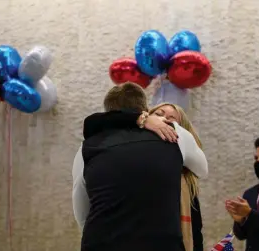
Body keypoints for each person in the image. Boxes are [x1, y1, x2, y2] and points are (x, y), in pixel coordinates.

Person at [72, 83, 208, 251]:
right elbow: (202, 168)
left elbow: (81, 208)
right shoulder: (175, 133)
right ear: (145, 109)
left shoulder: (86, 147)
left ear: (107, 110)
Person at [150, 103, 204, 251]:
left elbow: (196, 229)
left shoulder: (186, 178)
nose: (163, 120)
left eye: (171, 118)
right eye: (158, 114)